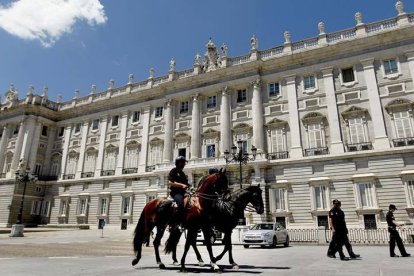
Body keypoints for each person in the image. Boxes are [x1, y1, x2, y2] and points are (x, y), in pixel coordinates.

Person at [168, 156, 190, 225]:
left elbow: (186, 184)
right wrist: (182, 185)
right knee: (180, 203)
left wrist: (190, 187)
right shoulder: (174, 170)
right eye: (183, 163)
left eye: (184, 163)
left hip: (184, 193)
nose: (184, 164)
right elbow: (171, 182)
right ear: (179, 163)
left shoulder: (182, 173)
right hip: (176, 193)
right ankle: (174, 223)